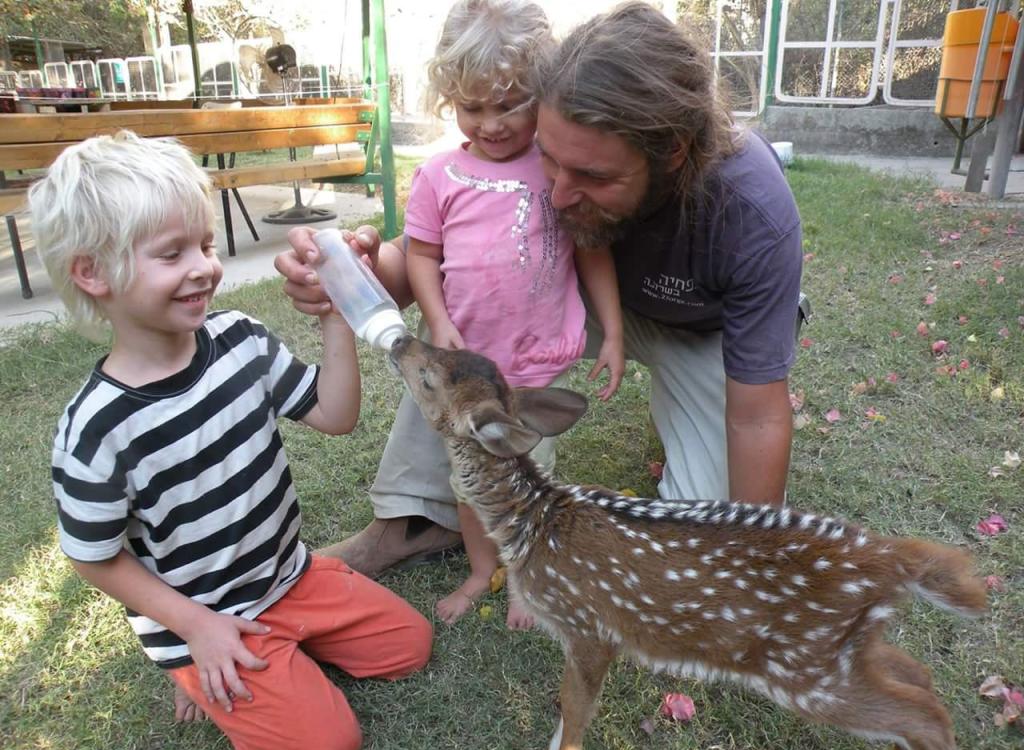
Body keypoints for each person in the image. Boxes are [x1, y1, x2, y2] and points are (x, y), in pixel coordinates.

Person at [277, 1, 803, 582]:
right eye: (549, 161)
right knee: (460, 320)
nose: (555, 197)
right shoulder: (519, 152)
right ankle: (417, 516)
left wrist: (760, 559)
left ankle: (684, 434)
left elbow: (757, 417)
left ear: (672, 151)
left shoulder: (752, 210)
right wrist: (356, 272)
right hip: (570, 300)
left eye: (594, 177)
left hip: (705, 333)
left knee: (711, 537)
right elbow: (433, 256)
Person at [29, 130, 432, 750]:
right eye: (172, 253)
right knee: (327, 748)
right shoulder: (97, 429)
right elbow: (93, 558)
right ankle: (193, 671)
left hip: (288, 576)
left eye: (206, 244)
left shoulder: (239, 339)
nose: (204, 266)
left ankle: (279, 653)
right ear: (93, 273)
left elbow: (335, 415)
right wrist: (194, 628)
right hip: (207, 617)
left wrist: (335, 314)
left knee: (411, 645)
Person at [402, 0, 625, 628]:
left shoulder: (556, 168)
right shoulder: (438, 176)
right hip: (470, 369)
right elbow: (421, 255)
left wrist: (613, 331)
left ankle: (525, 576)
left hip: (535, 360)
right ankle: (481, 570)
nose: (491, 124)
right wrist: (437, 319)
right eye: (473, 107)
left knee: (527, 476)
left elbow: (593, 250)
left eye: (509, 104)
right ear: (451, 100)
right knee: (472, 480)